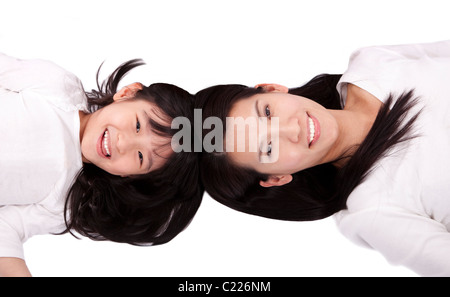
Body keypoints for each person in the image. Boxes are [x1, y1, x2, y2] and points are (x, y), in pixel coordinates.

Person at [194, 40, 450, 276]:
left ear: (274, 89)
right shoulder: (373, 211)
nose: (293, 129)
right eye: (268, 148)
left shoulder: (372, 63)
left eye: (268, 112)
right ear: (276, 178)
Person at [0, 53, 202, 276]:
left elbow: (6, 230)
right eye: (137, 125)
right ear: (127, 93)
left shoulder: (63, 203)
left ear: (131, 176)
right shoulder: (57, 88)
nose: (123, 143)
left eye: (141, 157)